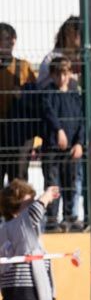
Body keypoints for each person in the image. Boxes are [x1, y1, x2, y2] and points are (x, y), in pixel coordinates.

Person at [40, 57, 85, 232]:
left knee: (71, 183)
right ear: (52, 75)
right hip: (52, 147)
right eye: (58, 74)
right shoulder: (48, 94)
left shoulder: (75, 96)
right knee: (53, 183)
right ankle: (52, 220)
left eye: (65, 74)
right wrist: (59, 131)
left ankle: (69, 217)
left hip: (72, 148)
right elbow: (49, 115)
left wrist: (79, 143)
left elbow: (82, 120)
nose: (62, 78)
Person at [0, 23, 39, 187]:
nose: (8, 43)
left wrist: (35, 142)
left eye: (10, 39)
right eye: (3, 39)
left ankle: (19, 213)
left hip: (18, 133)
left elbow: (37, 102)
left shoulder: (24, 68)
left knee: (18, 181)